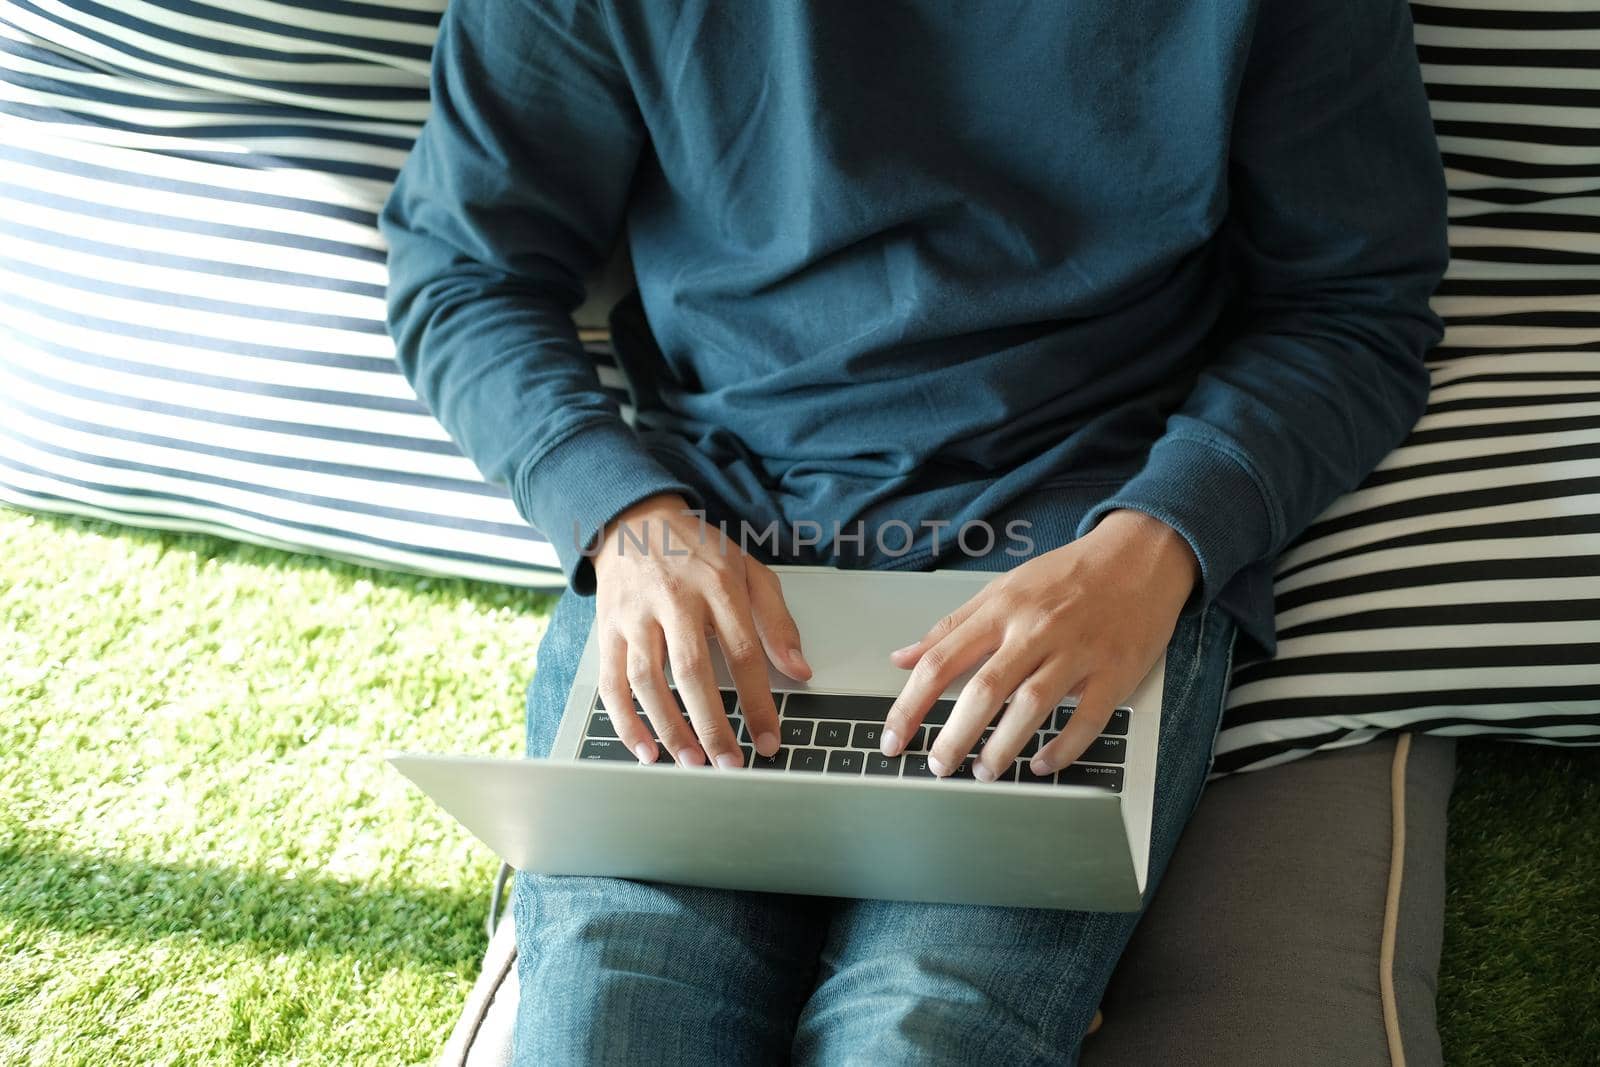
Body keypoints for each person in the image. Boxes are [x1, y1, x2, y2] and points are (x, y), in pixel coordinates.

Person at [379, 0, 1448, 1061]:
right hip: (711, 532)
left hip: (1077, 561)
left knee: (929, 1024)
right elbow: (465, 269)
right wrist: (624, 517)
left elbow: (1353, 308)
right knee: (612, 1001)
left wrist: (1155, 546)